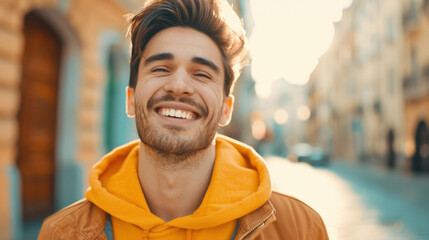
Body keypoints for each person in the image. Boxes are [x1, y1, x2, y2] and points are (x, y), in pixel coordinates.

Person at [39, 0, 329, 239]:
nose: (178, 85)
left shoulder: (300, 229)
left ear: (226, 109)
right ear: (130, 98)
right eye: (161, 68)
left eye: (202, 73)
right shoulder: (62, 233)